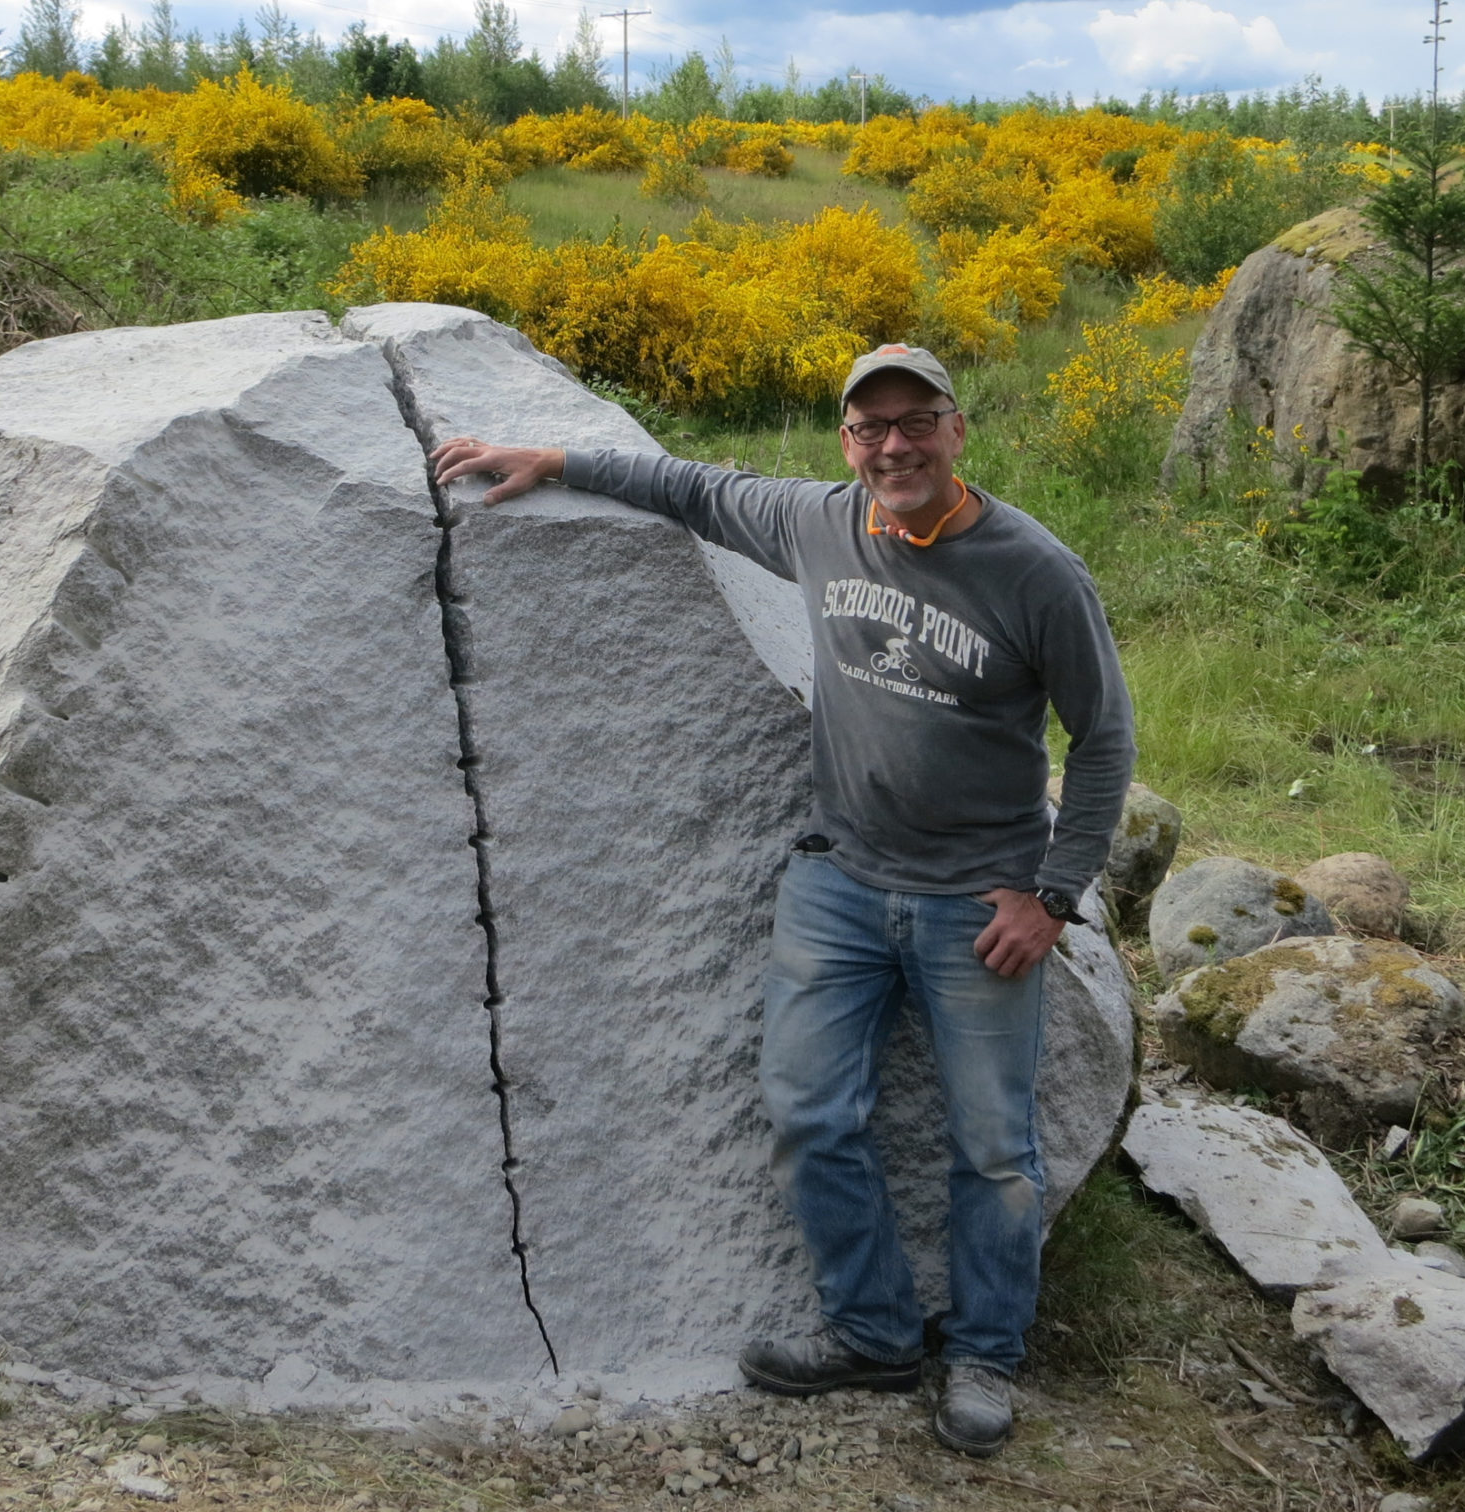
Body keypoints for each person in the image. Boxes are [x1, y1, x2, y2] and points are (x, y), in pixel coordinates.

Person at [430, 342, 1135, 1458]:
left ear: (957, 429)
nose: (893, 446)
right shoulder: (818, 522)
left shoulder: (1033, 570)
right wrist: (551, 457)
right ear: (845, 441)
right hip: (838, 884)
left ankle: (987, 1357)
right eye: (869, 428)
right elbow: (695, 489)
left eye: (915, 422)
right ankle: (872, 1333)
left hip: (976, 909)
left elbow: (1104, 742)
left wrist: (1053, 895)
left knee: (995, 1149)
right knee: (811, 1113)